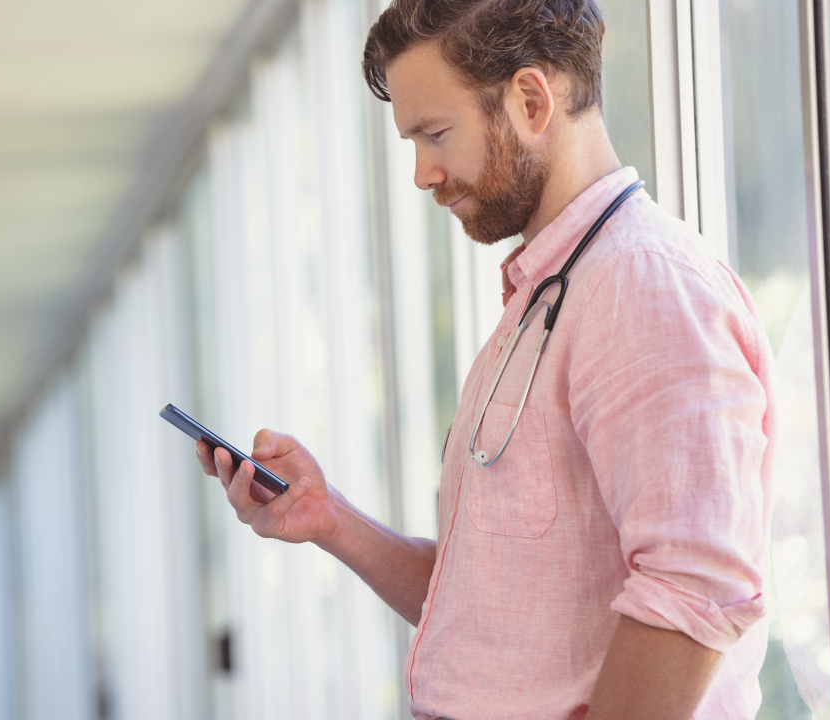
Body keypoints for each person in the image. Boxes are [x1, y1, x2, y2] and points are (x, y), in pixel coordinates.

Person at [195, 1, 775, 718]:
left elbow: (697, 586)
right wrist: (331, 518)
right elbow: (499, 610)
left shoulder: (643, 286)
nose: (421, 174)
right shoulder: (551, 296)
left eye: (435, 134)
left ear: (532, 100)